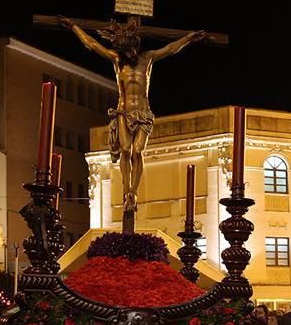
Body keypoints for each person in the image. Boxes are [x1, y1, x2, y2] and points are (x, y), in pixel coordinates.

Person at [60, 15, 206, 225]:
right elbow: (92, 44)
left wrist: (189, 38)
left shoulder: (147, 59)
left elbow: (171, 49)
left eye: (129, 49)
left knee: (138, 151)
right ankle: (127, 190)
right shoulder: (118, 61)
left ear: (135, 46)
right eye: (123, 50)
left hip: (144, 113)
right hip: (123, 112)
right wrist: (74, 27)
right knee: (126, 150)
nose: (127, 54)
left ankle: (133, 192)